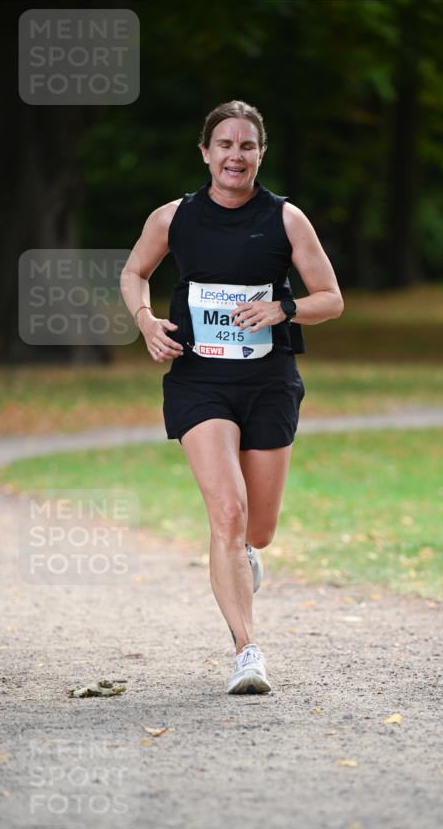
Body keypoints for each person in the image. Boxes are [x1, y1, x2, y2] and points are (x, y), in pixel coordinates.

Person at [120, 100, 344, 695]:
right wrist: (144, 320)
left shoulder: (287, 220)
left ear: (259, 155)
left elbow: (332, 298)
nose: (235, 156)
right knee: (228, 513)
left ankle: (243, 557)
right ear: (205, 153)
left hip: (269, 383)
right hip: (199, 382)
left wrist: (283, 307)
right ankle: (247, 650)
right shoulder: (174, 218)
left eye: (247, 146)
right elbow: (133, 272)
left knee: (258, 530)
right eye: (224, 145)